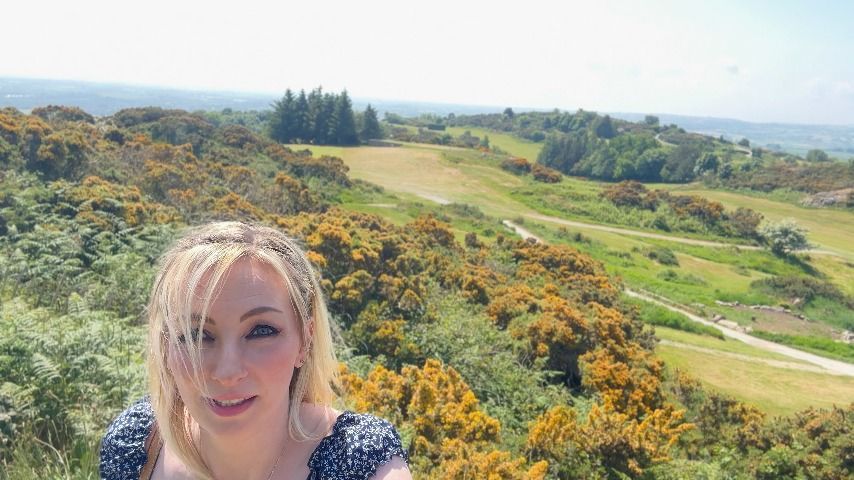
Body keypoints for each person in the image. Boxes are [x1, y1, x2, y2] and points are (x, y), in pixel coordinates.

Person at [99, 222, 411, 480]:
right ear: (165, 345)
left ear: (305, 340)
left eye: (261, 331)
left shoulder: (363, 466)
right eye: (196, 335)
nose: (227, 372)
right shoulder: (135, 446)